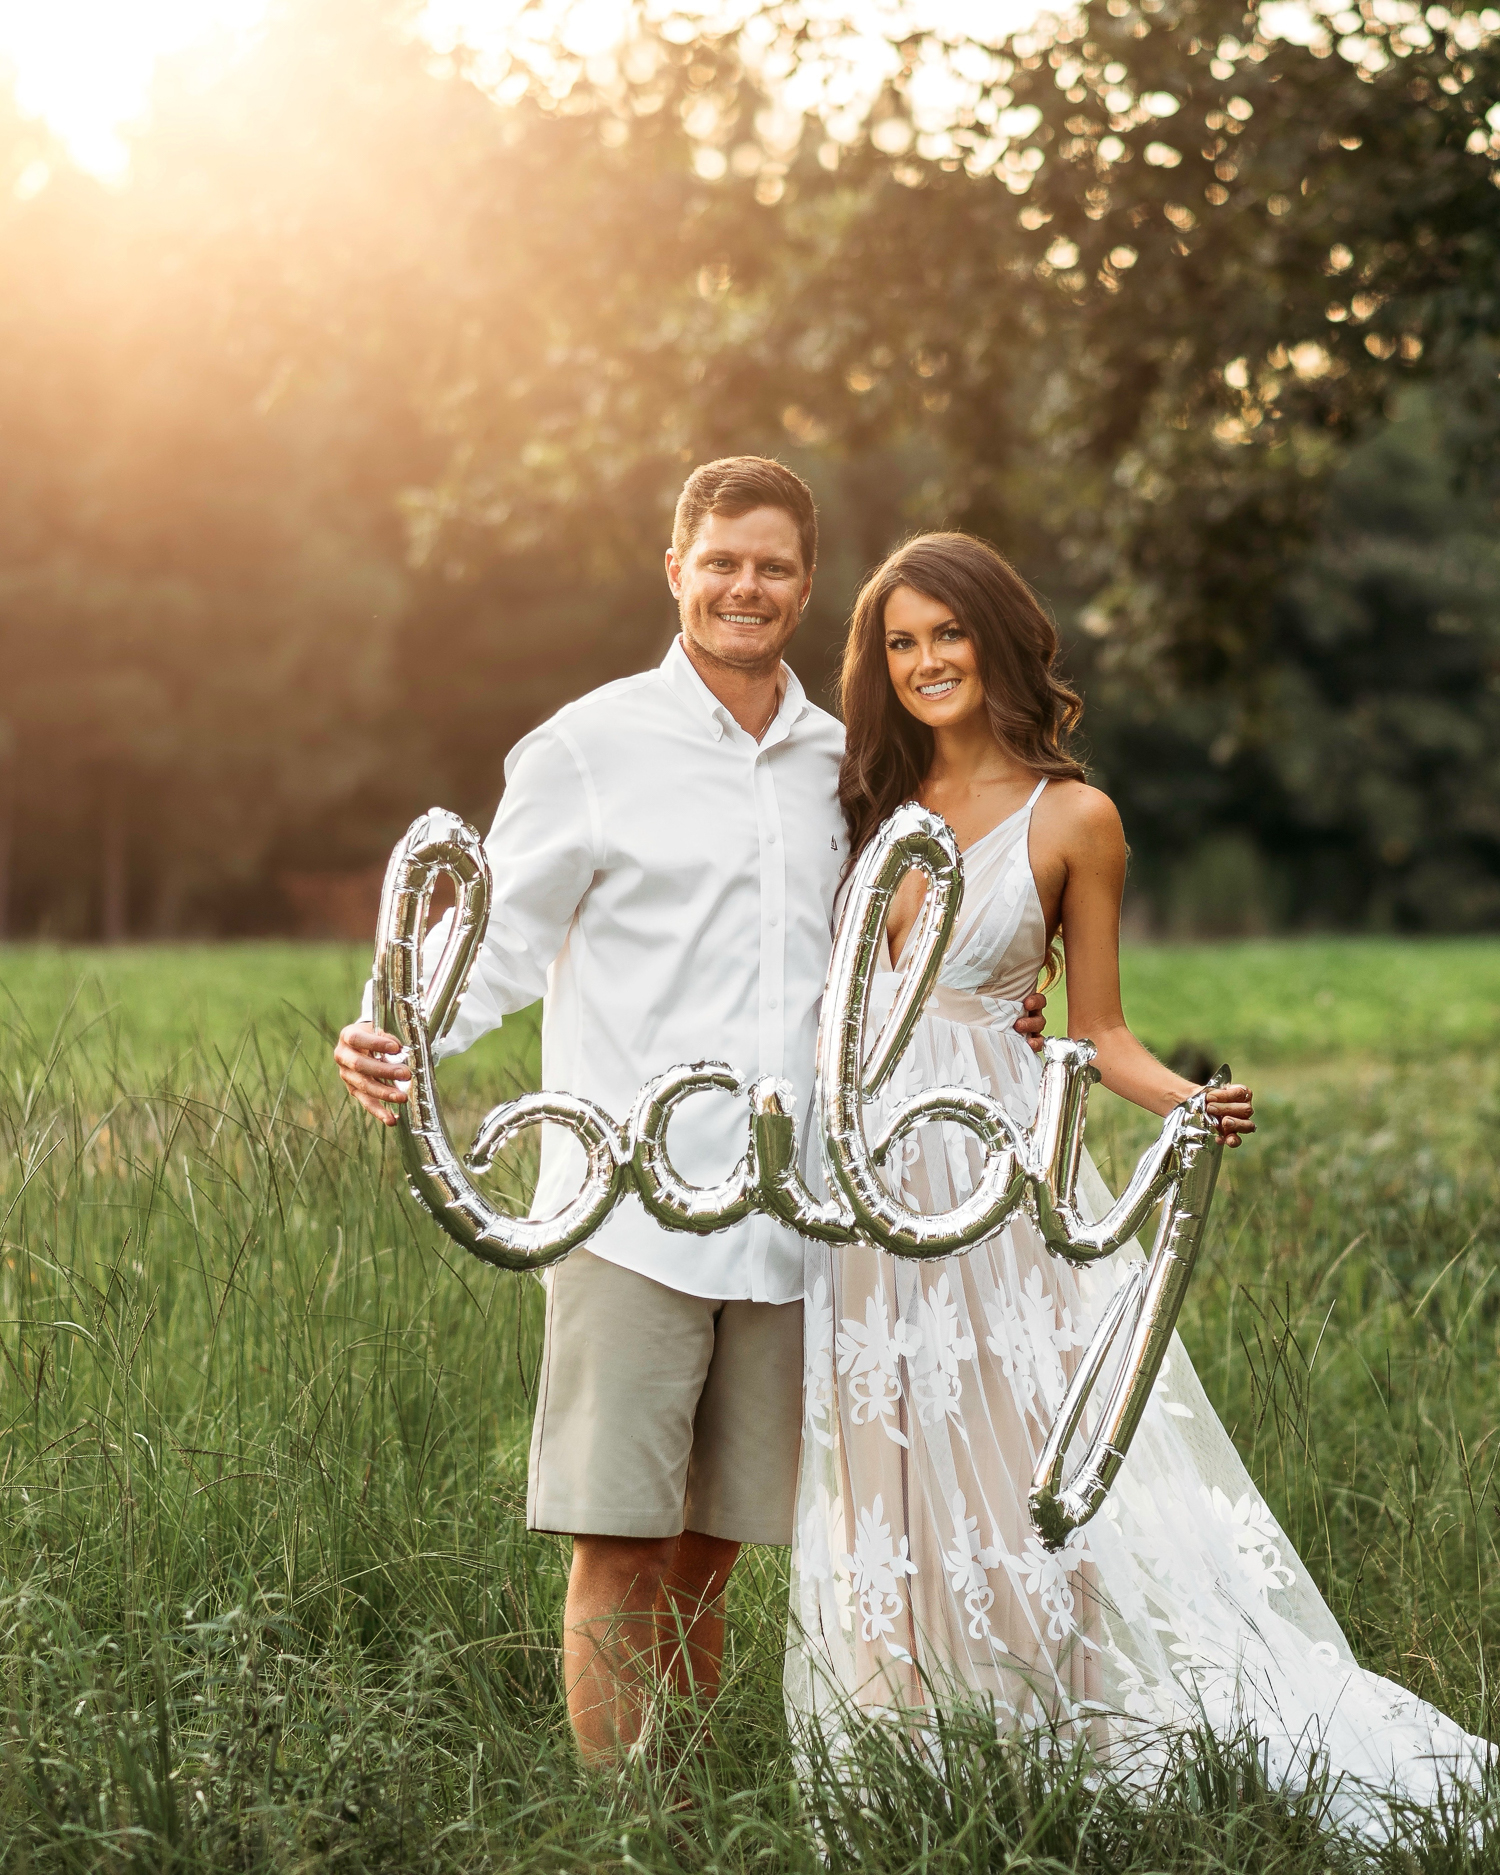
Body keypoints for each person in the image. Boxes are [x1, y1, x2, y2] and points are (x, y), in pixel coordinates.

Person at [333, 462, 1045, 1763]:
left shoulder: (853, 758)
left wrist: (1016, 1012)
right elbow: (492, 940)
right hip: (629, 1210)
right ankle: (625, 1837)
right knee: (620, 1540)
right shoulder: (588, 748)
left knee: (714, 1550)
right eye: (720, 561)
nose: (744, 587)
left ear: (807, 585)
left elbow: (906, 943)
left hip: (795, 1214)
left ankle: (683, 1809)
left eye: (772, 566)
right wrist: (401, 1032)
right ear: (676, 570)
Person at [786, 531, 1491, 1829]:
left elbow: (1097, 1032)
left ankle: (1066, 1722)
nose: (926, 660)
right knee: (887, 1458)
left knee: (1015, 1445)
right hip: (863, 1181)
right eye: (900, 641)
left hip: (994, 1169)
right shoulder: (865, 806)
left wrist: (1189, 1101)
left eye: (948, 633)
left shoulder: (1073, 817)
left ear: (999, 641)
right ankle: (915, 1742)